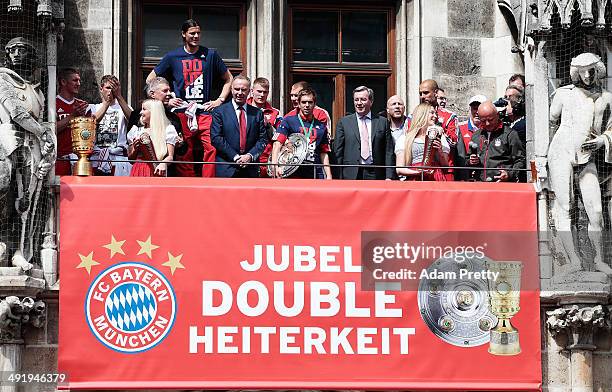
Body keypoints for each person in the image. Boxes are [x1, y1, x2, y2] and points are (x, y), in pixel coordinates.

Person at [548, 52, 612, 274]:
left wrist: (602, 140)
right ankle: (572, 260)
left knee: (595, 210)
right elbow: (552, 118)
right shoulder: (565, 94)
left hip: (587, 157)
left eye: (591, 71)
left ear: (597, 70)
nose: (587, 76)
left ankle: (599, 259)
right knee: (565, 206)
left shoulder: (606, 97)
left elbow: (611, 127)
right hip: (561, 152)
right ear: (576, 73)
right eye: (582, 72)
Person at [0, 37, 55, 270]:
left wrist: (47, 148)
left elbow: (41, 119)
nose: (15, 54)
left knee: (26, 203)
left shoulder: (36, 89)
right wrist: (42, 131)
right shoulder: (3, 78)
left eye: (21, 50)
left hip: (31, 147)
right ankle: (3, 245)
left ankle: (20, 251)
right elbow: (16, 112)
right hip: (8, 141)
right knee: (5, 190)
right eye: (11, 50)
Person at [146, 19, 233, 111]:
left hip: (204, 112)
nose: (196, 36)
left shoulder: (211, 55)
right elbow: (150, 79)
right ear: (184, 34)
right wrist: (167, 99)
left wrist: (219, 100)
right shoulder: (172, 56)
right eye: (192, 33)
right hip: (179, 112)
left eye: (198, 33)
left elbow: (229, 78)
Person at [210, 75, 268, 178]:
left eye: (243, 90)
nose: (240, 93)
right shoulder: (219, 112)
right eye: (237, 89)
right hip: (226, 168)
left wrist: (249, 156)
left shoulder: (257, 113)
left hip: (250, 168)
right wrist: (235, 157)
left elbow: (262, 140)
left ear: (249, 91)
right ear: (231, 90)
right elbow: (216, 138)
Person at [334, 86, 394, 180]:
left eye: (363, 99)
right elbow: (338, 152)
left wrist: (389, 176)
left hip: (376, 173)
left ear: (371, 101)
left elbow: (388, 151)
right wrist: (338, 176)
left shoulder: (382, 122)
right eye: (356, 100)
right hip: (351, 174)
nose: (359, 103)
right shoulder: (344, 123)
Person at [271, 88, 332, 180]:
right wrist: (274, 165)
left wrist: (329, 175)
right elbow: (277, 144)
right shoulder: (288, 120)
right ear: (298, 104)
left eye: (310, 102)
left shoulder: (321, 126)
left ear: (315, 104)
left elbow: (323, 152)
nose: (307, 105)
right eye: (303, 102)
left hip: (315, 171)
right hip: (292, 170)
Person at [468, 101, 525, 182]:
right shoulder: (476, 135)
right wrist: (471, 161)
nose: (487, 123)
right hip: (480, 184)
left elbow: (520, 160)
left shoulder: (510, 134)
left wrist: (509, 174)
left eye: (490, 120)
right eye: (483, 121)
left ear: (497, 115)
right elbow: (467, 159)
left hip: (502, 185)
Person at [88, 75, 131, 176]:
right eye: (108, 87)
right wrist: (106, 104)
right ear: (101, 89)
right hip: (97, 158)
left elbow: (132, 119)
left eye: (114, 88)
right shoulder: (93, 107)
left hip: (118, 158)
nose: (111, 91)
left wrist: (119, 97)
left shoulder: (124, 107)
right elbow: (92, 122)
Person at [395, 103, 450, 181]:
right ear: (422, 114)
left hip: (436, 177)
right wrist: (419, 172)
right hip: (415, 179)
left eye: (435, 113)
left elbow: (446, 167)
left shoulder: (440, 137)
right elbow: (399, 169)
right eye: (432, 113)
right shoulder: (405, 139)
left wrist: (440, 151)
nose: (435, 116)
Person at [417, 79, 458, 180]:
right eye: (420, 93)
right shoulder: (413, 116)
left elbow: (454, 142)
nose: (422, 96)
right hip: (419, 169)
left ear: (435, 93)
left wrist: (438, 129)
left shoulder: (449, 116)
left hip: (444, 169)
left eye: (426, 93)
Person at [127, 99, 178, 177]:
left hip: (157, 169)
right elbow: (131, 159)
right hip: (138, 169)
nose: (141, 112)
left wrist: (163, 164)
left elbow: (170, 156)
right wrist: (135, 149)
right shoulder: (136, 130)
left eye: (144, 109)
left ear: (154, 112)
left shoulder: (168, 130)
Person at [56, 68, 89, 175]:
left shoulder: (83, 105)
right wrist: (72, 116)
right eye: (75, 80)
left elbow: (89, 133)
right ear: (63, 82)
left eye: (79, 81)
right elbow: (51, 129)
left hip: (80, 159)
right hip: (59, 159)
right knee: (59, 191)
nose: (78, 84)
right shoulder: (52, 104)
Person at [246, 77, 281, 177]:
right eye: (259, 91)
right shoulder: (242, 109)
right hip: (247, 159)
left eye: (265, 92)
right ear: (252, 91)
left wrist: (268, 126)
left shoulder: (275, 113)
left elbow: (279, 137)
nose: (262, 95)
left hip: (266, 161)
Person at [456, 95, 486, 181]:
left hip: (483, 176)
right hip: (465, 177)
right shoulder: (460, 128)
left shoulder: (490, 130)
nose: (477, 112)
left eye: (479, 109)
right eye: (474, 108)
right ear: (470, 109)